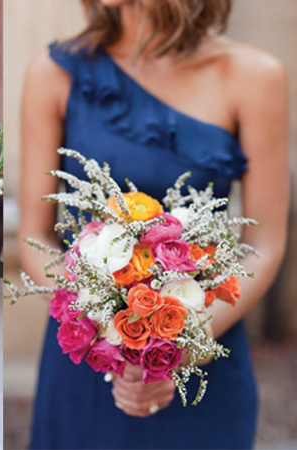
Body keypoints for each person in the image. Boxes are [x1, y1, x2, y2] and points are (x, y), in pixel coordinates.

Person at [18, 0, 289, 449]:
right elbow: (34, 235)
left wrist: (177, 348)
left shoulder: (254, 76)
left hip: (205, 349)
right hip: (88, 359)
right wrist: (104, 323)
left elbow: (265, 243)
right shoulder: (53, 73)